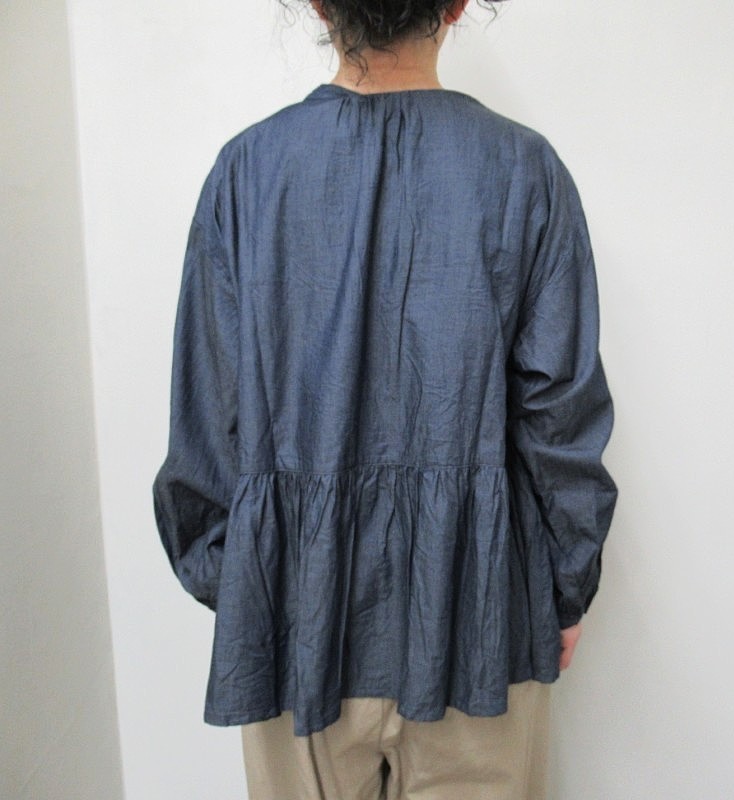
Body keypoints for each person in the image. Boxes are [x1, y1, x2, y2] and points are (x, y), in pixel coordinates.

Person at [152, 0, 618, 797]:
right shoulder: (523, 169)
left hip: (297, 627)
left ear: (318, 4)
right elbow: (560, 414)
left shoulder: (246, 172)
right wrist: (564, 588)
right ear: (457, 5)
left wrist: (252, 591)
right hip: (481, 627)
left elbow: (206, 416)